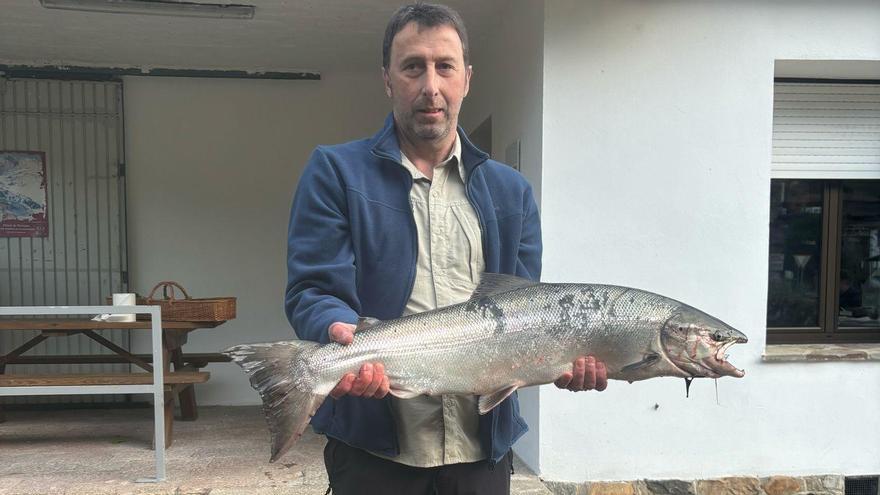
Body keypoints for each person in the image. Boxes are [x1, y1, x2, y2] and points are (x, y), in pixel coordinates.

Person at [284, 3, 608, 494]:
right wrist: (338, 329)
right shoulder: (335, 172)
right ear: (389, 80)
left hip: (482, 450)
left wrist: (568, 356)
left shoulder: (511, 192)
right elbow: (312, 288)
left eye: (444, 66)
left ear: (467, 79)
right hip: (373, 448)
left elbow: (526, 308)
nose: (430, 85)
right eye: (413, 66)